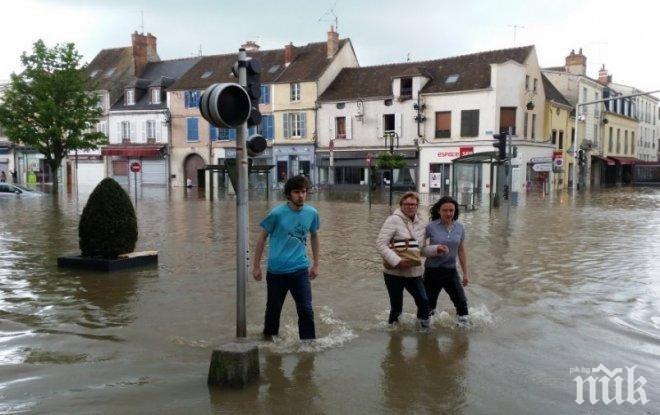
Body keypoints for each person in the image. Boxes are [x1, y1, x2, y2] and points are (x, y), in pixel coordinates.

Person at [253, 175, 320, 340]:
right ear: (289, 194)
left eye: (303, 192)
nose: (301, 195)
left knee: (306, 309)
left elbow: (314, 235)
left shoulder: (312, 213)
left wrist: (316, 264)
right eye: (297, 192)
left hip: (300, 269)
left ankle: (308, 345)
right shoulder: (277, 214)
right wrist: (256, 266)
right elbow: (262, 237)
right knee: (273, 311)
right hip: (277, 271)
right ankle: (269, 343)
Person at [376, 192, 446, 328]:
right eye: (406, 204)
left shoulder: (421, 224)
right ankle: (394, 338)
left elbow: (420, 250)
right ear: (401, 205)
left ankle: (422, 330)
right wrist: (397, 261)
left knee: (424, 301)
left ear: (417, 206)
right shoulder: (393, 220)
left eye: (413, 204)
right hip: (393, 273)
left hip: (414, 272)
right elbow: (380, 244)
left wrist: (436, 249)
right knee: (396, 308)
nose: (410, 207)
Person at [424, 196, 470, 326]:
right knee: (429, 305)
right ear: (439, 211)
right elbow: (420, 248)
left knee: (461, 302)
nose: (449, 213)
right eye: (445, 210)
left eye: (451, 210)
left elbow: (461, 250)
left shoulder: (460, 227)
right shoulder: (430, 227)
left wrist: (465, 273)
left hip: (450, 270)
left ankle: (461, 335)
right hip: (432, 271)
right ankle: (426, 336)